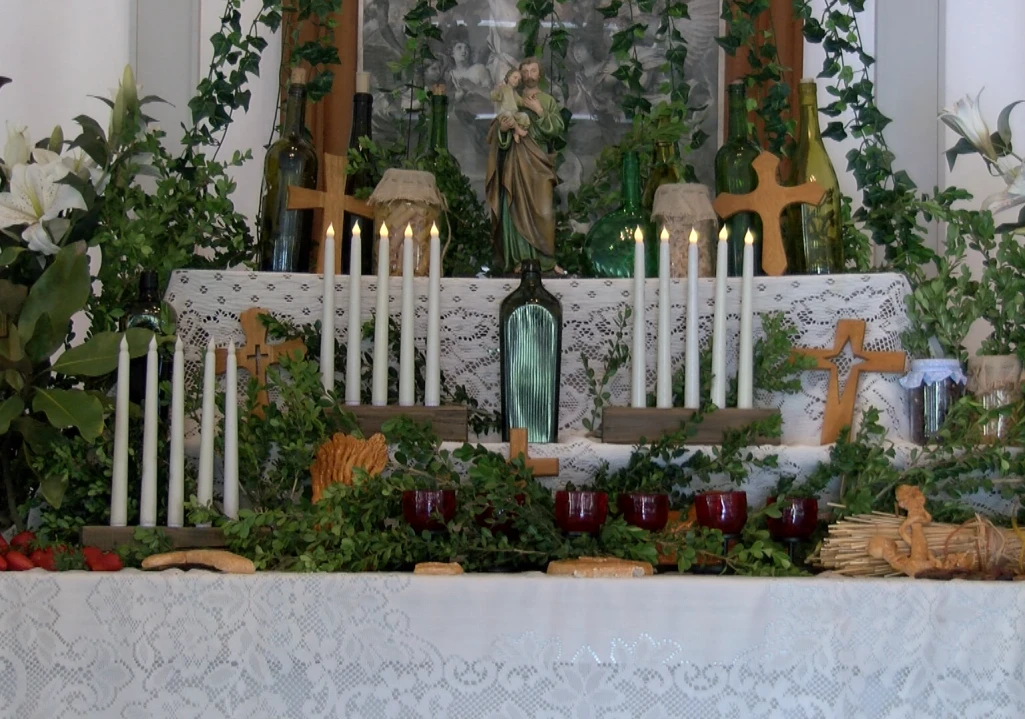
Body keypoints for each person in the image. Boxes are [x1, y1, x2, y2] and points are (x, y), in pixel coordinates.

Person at [486, 57, 566, 275]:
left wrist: (539, 110)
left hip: (539, 160)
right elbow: (499, 129)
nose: (530, 75)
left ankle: (546, 261)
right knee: (515, 207)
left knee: (544, 211)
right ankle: (519, 260)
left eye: (534, 71)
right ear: (519, 75)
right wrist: (503, 130)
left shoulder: (547, 100)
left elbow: (557, 129)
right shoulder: (512, 97)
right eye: (525, 71)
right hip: (516, 159)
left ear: (540, 74)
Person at [490, 68, 530, 143]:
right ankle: (518, 129)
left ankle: (516, 132)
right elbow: (494, 96)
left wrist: (527, 100)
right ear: (508, 77)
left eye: (519, 79)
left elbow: (520, 101)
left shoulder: (514, 92)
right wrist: (498, 89)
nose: (517, 81)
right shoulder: (503, 88)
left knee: (524, 116)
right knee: (508, 114)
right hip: (503, 114)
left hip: (514, 114)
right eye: (515, 77)